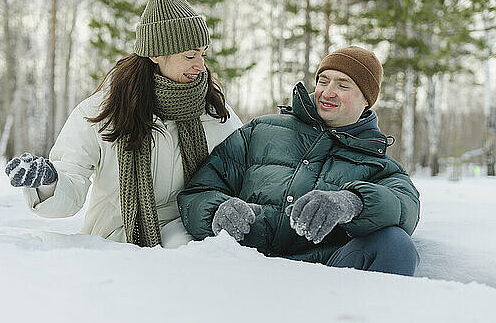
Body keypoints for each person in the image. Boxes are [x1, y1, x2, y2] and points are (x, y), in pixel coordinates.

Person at [4, 0, 242, 248]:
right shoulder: (102, 112)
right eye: (190, 56)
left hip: (189, 240)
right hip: (115, 243)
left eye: (203, 55)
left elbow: (243, 172)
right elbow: (71, 183)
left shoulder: (212, 111)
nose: (201, 65)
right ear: (155, 55)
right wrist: (48, 181)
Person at [178, 46, 420, 275]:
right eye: (323, 81)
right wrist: (217, 211)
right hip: (247, 267)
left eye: (343, 85)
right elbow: (201, 190)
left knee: (396, 244)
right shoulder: (260, 131)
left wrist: (351, 203)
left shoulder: (378, 164)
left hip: (322, 277)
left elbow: (405, 207)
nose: (327, 92)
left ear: (367, 100)